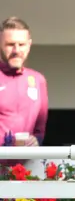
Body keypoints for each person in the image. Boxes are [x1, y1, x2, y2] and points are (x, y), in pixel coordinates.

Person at [0, 16, 48, 146]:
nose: (16, 50)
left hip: (28, 165)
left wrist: (36, 140)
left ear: (29, 45)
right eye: (10, 44)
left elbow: (40, 130)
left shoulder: (38, 80)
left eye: (21, 44)